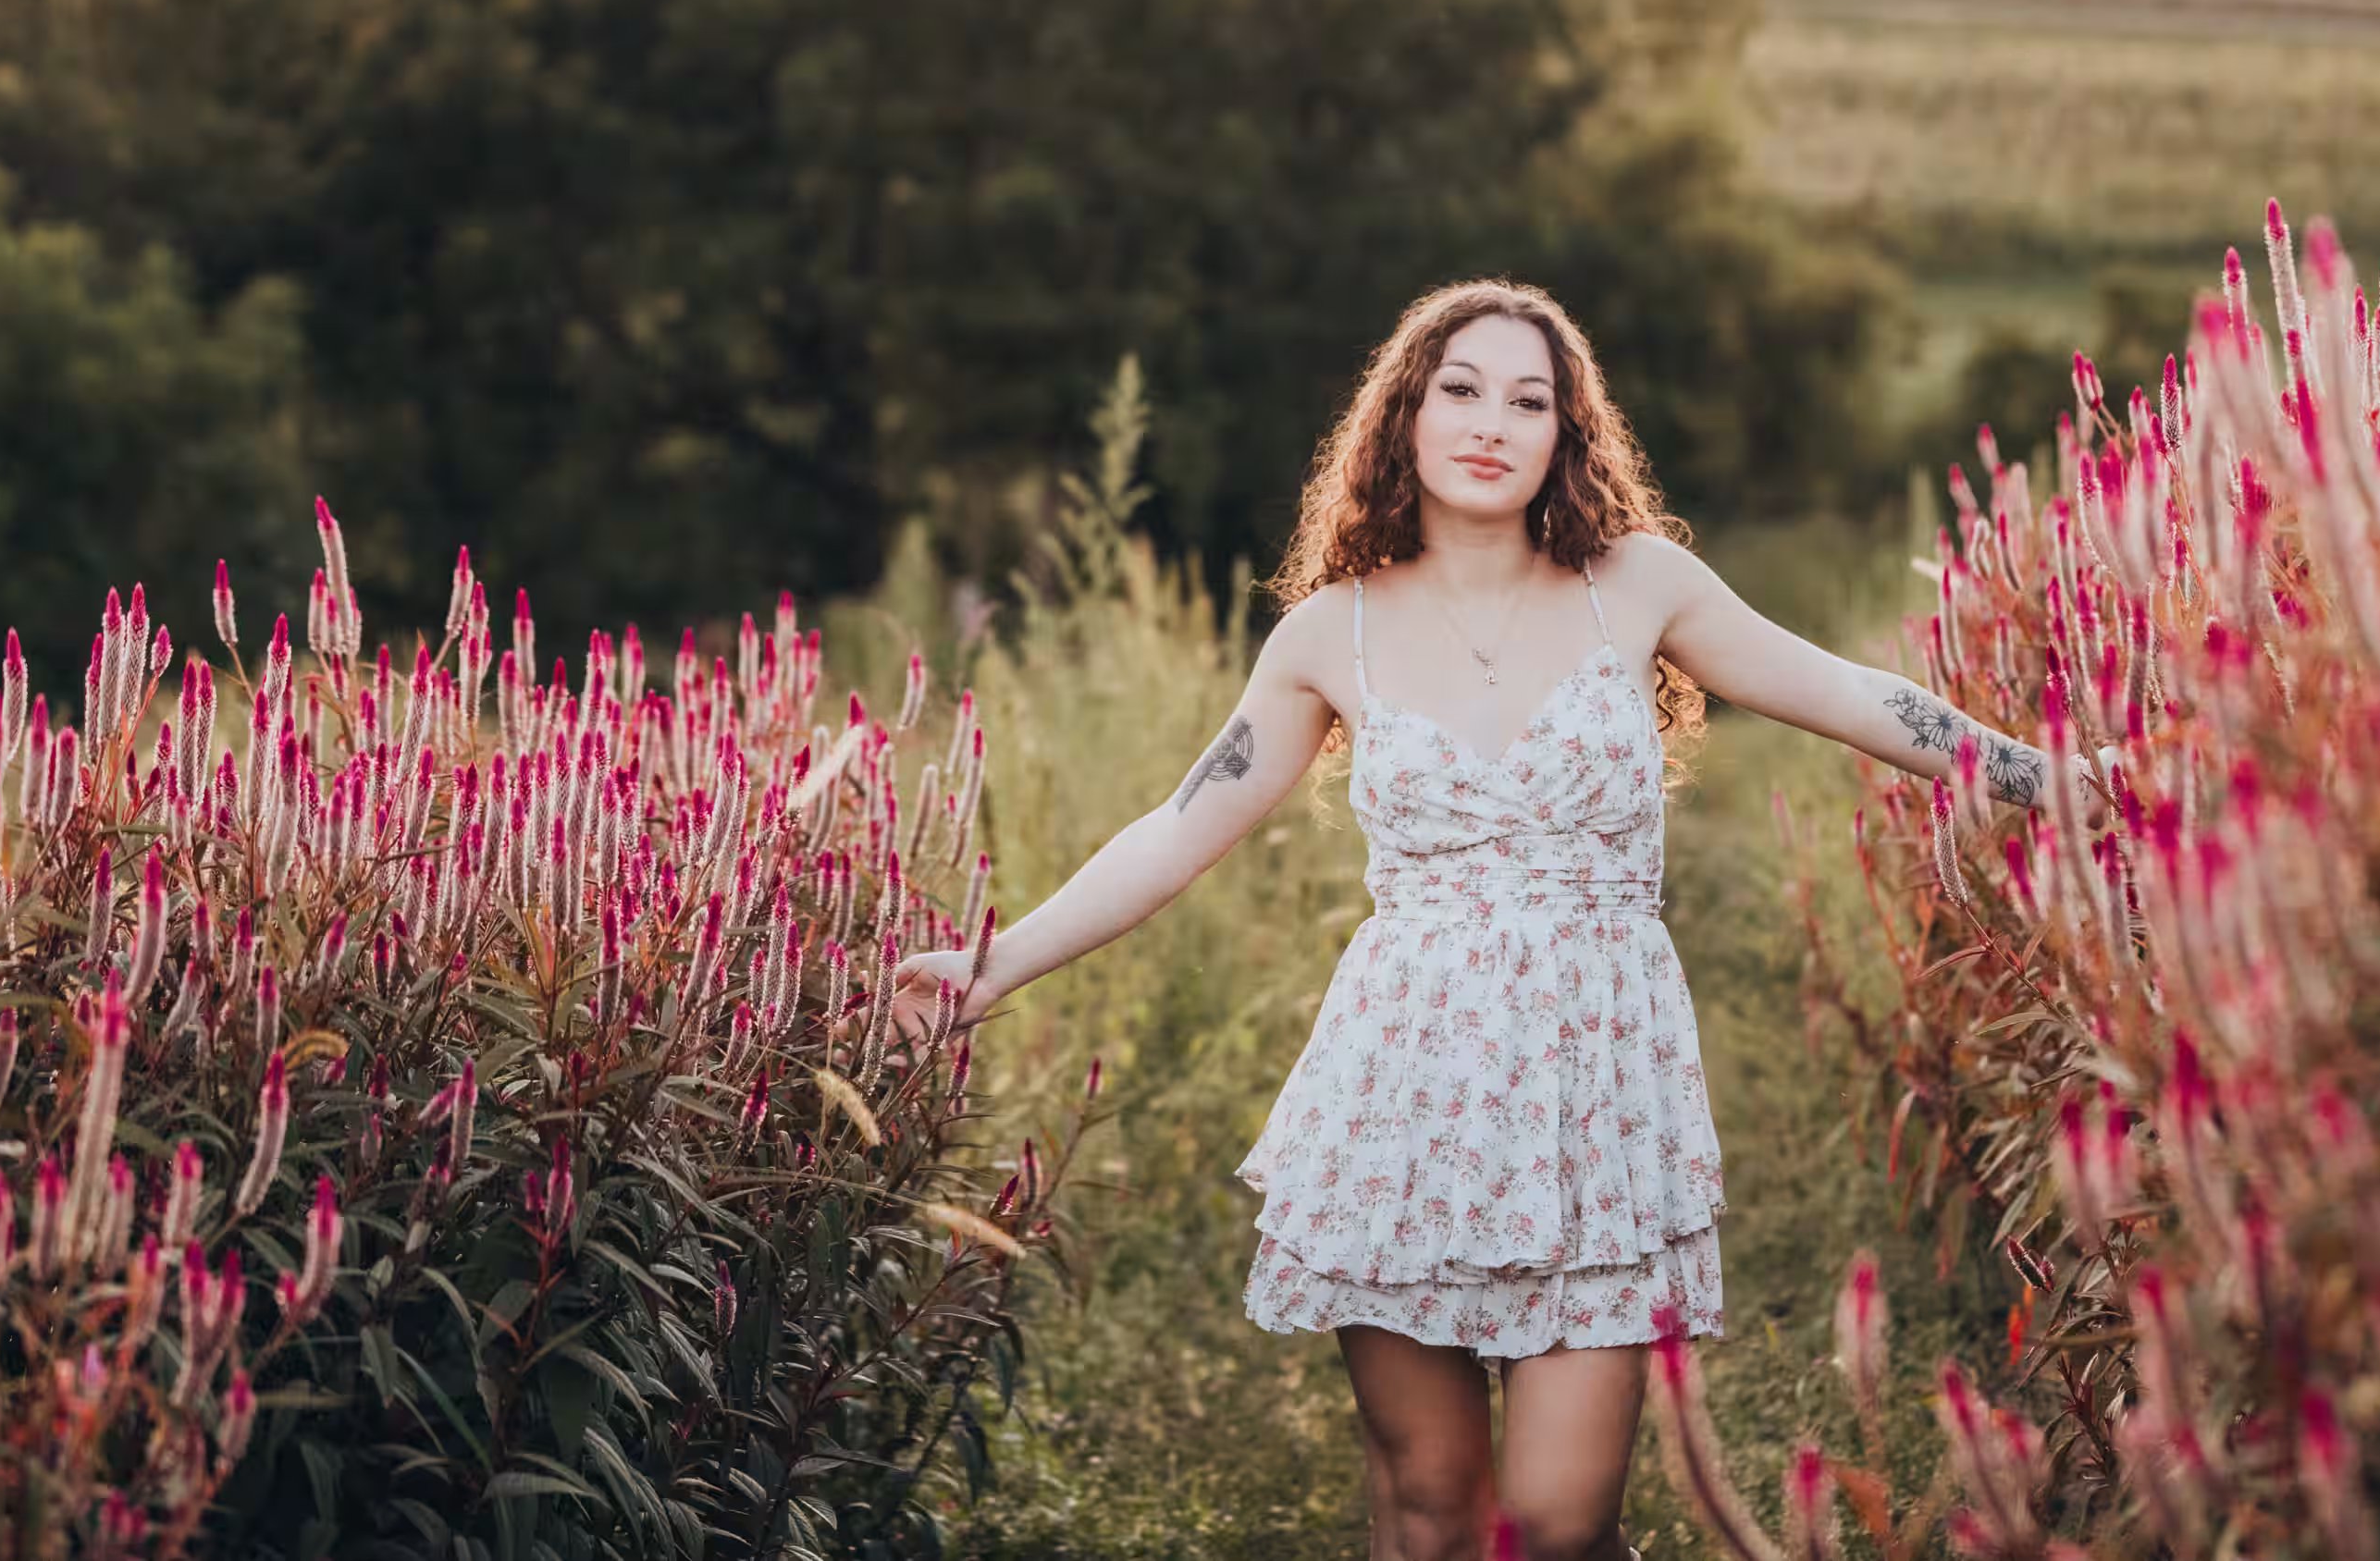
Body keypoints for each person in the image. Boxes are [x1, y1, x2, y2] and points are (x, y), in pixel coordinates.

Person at [886, 277, 2090, 1561]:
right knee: (1428, 1502)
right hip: (1404, 1085)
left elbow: (1851, 693)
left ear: (1565, 436)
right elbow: (1181, 827)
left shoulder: (1635, 586)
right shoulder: (1324, 634)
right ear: (1402, 414)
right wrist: (993, 964)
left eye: (1530, 400)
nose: (1489, 422)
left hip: (1598, 1085)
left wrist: (2058, 782)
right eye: (1459, 388)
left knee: (1559, 1523)